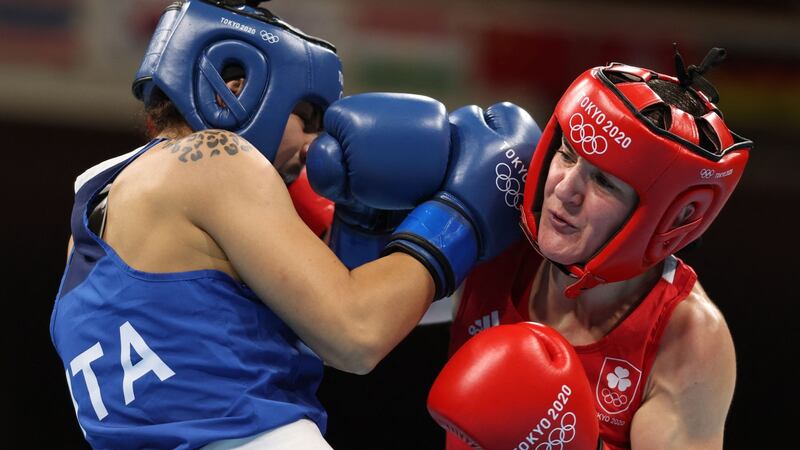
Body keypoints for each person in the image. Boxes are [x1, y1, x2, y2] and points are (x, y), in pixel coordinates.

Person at [49, 1, 541, 448]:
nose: (311, 145)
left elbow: (292, 330)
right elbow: (357, 333)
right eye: (304, 116)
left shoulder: (96, 213)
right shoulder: (215, 158)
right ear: (234, 83)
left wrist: (364, 238)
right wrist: (459, 214)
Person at [425, 49, 753, 449]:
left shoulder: (686, 337)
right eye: (567, 153)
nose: (564, 190)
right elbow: (359, 334)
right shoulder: (496, 230)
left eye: (603, 182)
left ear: (666, 220)